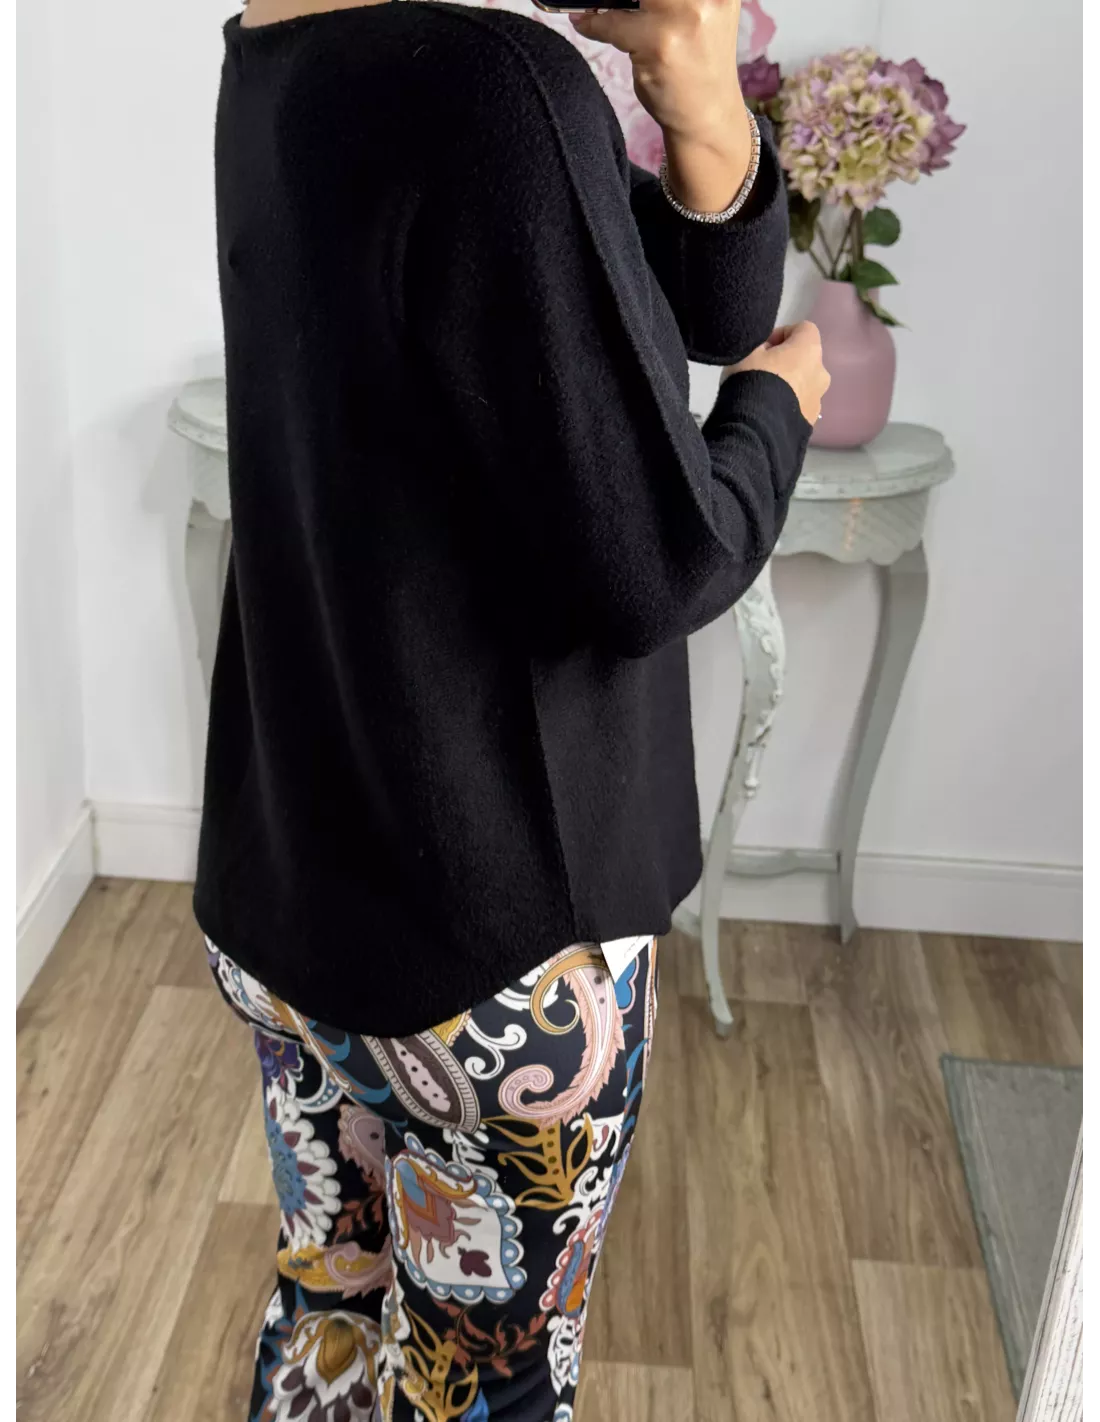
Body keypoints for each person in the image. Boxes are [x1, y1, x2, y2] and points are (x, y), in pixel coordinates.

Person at [196, 0, 828, 1415]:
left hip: (296, 892)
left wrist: (702, 112)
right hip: (501, 965)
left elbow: (668, 304)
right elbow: (661, 563)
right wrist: (773, 409)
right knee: (480, 1387)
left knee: (332, 1317)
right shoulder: (491, 86)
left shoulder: (277, 45)